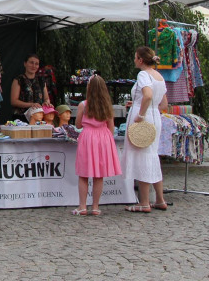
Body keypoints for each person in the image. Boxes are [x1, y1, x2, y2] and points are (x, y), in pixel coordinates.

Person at [123, 46, 169, 213]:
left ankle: (144, 202)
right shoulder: (159, 76)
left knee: (142, 156)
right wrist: (137, 102)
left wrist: (140, 114)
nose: (134, 60)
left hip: (144, 117)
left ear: (141, 60)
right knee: (151, 156)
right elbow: (163, 104)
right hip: (155, 116)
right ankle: (159, 198)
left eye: (135, 57)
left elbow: (148, 95)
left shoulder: (143, 74)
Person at [72, 75, 122, 216]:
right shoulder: (107, 106)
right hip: (103, 137)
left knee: (84, 174)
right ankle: (95, 207)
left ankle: (82, 206)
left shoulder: (83, 105)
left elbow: (78, 124)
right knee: (99, 175)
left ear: (89, 88)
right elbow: (111, 127)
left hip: (88, 137)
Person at [10, 53, 52, 120]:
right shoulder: (19, 80)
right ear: (25, 64)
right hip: (21, 119)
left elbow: (46, 98)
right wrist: (31, 105)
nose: (34, 66)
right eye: (31, 63)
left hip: (38, 118)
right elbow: (14, 101)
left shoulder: (41, 80)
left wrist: (46, 103)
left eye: (36, 64)